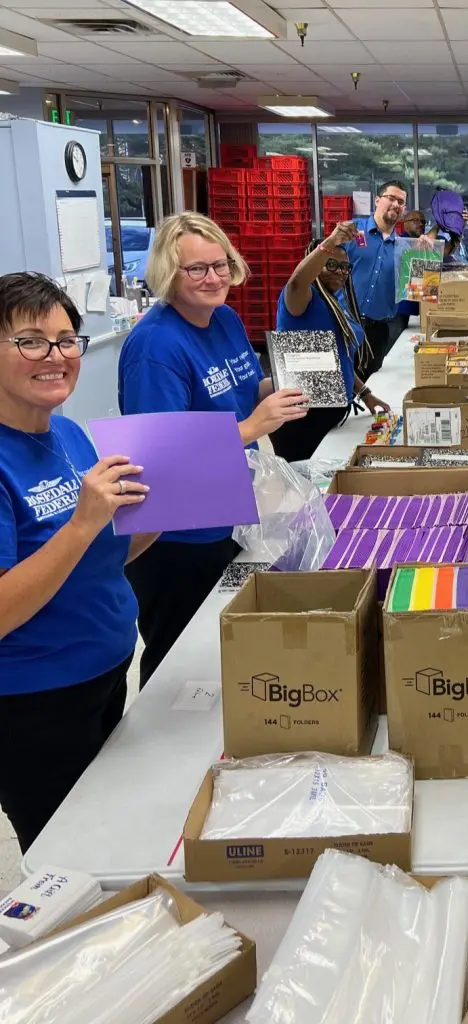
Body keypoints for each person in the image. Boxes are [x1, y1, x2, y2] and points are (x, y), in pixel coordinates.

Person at [0, 272, 155, 852]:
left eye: (68, 341)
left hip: (106, 673)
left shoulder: (69, 435)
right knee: (65, 859)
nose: (56, 356)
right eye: (31, 341)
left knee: (109, 840)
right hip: (33, 703)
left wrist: (156, 515)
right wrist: (84, 519)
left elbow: (101, 560)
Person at [119, 212, 308, 688]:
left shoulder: (224, 319)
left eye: (220, 265)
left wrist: (287, 386)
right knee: (177, 666)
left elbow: (244, 390)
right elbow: (159, 457)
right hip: (174, 540)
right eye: (196, 269)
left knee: (221, 654)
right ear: (167, 273)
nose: (214, 278)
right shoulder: (155, 346)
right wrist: (250, 427)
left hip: (226, 516)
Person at [269, 226, 391, 463]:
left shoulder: (335, 301)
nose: (340, 272)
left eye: (345, 267)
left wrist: (365, 394)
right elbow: (296, 281)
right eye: (331, 265)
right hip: (302, 418)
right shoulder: (301, 298)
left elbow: (339, 358)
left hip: (331, 412)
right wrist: (331, 241)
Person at [346, 179, 408, 379]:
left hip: (378, 332)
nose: (396, 205)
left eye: (401, 202)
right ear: (377, 200)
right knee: (340, 389)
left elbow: (421, 287)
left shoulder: (405, 248)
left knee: (370, 387)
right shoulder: (351, 232)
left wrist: (425, 253)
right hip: (345, 326)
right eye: (391, 198)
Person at [395, 210, 426, 335]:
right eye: (415, 220)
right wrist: (437, 226)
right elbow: (413, 252)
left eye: (423, 221)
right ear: (405, 224)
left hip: (422, 306)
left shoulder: (426, 242)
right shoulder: (400, 241)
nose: (420, 224)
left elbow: (444, 250)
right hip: (401, 310)